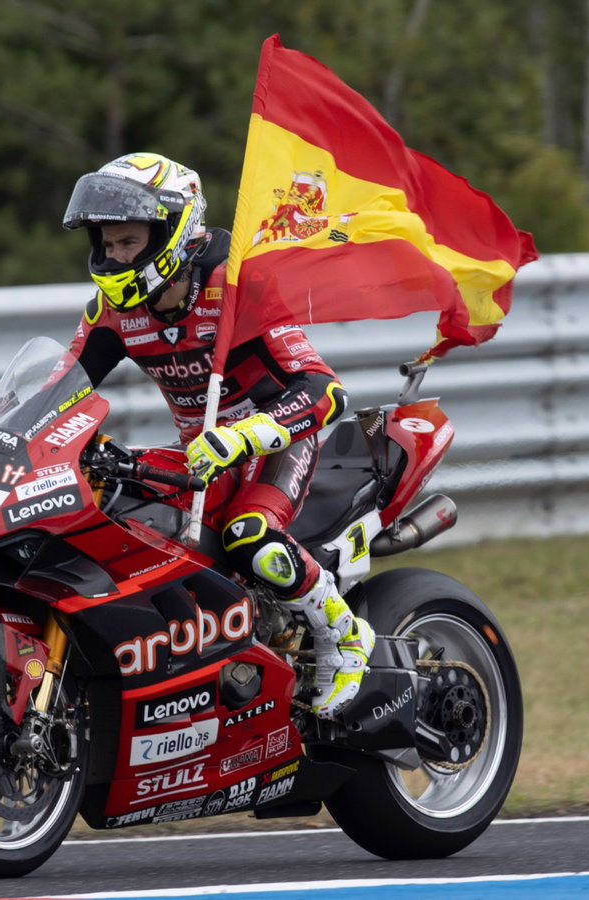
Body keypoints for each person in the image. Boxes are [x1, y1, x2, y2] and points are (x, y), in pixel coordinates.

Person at [62, 152, 375, 719]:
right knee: (121, 513)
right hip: (201, 454)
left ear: (171, 233)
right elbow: (60, 390)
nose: (116, 257)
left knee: (248, 536)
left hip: (273, 444)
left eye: (129, 242)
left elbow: (325, 390)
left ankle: (343, 634)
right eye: (108, 244)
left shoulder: (237, 285)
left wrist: (247, 434)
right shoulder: (111, 312)